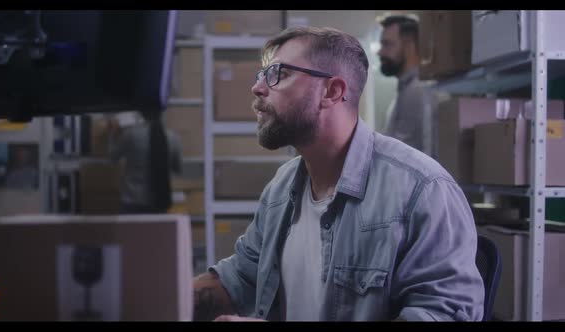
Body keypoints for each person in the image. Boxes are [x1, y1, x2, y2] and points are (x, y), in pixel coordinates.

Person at [193, 26, 484, 321]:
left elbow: (441, 314)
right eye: (262, 74)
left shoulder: (422, 190)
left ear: (332, 92)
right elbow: (240, 279)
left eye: (278, 73)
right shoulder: (281, 189)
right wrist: (161, 294)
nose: (258, 88)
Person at [378, 14, 439, 157]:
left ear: (409, 46)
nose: (380, 52)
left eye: (387, 44)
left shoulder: (417, 90)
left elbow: (400, 154)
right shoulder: (406, 91)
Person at [107, 110, 182, 214]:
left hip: (132, 201)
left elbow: (112, 157)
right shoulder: (173, 138)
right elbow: (177, 168)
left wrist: (113, 133)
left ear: (141, 114)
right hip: (160, 201)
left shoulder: (131, 135)